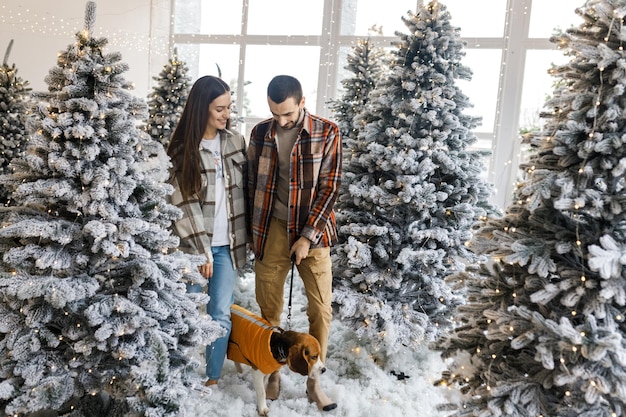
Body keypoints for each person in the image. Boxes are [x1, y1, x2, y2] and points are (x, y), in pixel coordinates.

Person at [247, 75, 341, 410]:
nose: (281, 121)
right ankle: (273, 371)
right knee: (269, 310)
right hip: (271, 228)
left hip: (313, 234)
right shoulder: (260, 133)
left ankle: (314, 383)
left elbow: (330, 190)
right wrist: (252, 234)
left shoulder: (327, 132)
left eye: (287, 114)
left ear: (302, 102)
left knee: (320, 310)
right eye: (275, 114)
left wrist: (306, 237)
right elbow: (250, 185)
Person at [166, 75, 248, 387]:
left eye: (228, 107)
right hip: (190, 250)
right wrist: (201, 251)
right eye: (219, 108)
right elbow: (184, 203)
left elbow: (245, 193)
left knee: (220, 313)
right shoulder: (180, 149)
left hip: (226, 247)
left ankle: (212, 377)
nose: (226, 114)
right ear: (202, 109)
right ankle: (181, 373)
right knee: (186, 311)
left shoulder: (235, 142)